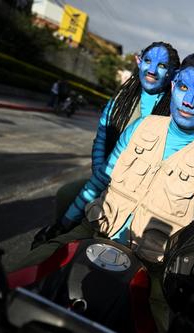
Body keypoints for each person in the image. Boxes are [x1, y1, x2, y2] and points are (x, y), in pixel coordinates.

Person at [22, 53, 194, 331]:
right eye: (182, 87)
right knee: (12, 282)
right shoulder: (140, 127)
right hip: (91, 233)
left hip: (154, 268)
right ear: (172, 87)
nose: (188, 101)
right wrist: (60, 226)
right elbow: (98, 182)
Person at [54, 42, 180, 221]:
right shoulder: (120, 99)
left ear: (173, 73)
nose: (152, 70)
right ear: (138, 61)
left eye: (162, 66)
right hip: (103, 181)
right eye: (148, 61)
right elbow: (100, 140)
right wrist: (100, 175)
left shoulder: (172, 115)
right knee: (66, 195)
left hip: (139, 198)